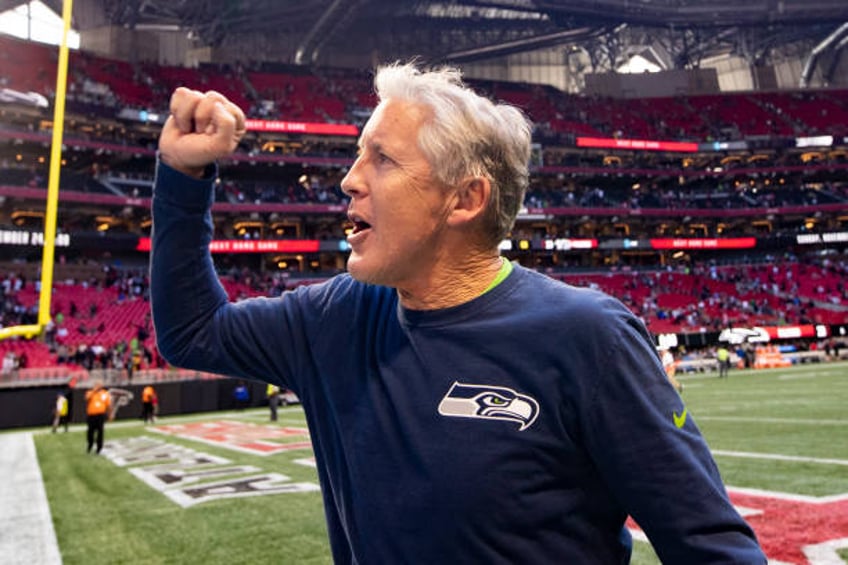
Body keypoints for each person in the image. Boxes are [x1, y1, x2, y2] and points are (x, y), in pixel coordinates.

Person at [151, 63, 765, 563]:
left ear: (465, 199)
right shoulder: (337, 317)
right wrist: (183, 175)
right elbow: (193, 333)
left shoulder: (588, 337)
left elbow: (710, 546)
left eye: (381, 160)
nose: (347, 181)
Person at [85, 380, 111, 454]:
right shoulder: (90, 392)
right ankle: (90, 444)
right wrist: (94, 391)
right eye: (97, 384)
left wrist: (109, 414)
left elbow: (108, 405)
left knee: (100, 432)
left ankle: (99, 448)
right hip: (91, 415)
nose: (98, 386)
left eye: (99, 384)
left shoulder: (105, 393)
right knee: (90, 431)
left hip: (100, 415)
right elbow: (87, 398)